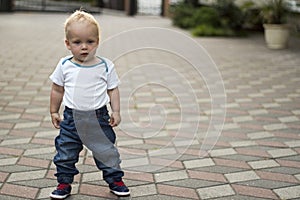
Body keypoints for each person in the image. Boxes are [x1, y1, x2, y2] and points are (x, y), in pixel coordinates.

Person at [49, 10, 129, 199]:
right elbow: (57, 89)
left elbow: (113, 89)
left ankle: (115, 180)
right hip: (71, 120)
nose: (84, 47)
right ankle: (63, 183)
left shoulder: (106, 65)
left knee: (107, 152)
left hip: (99, 119)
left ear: (98, 41)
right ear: (67, 44)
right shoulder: (64, 65)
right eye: (77, 42)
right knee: (65, 153)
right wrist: (53, 110)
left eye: (90, 42)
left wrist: (116, 111)